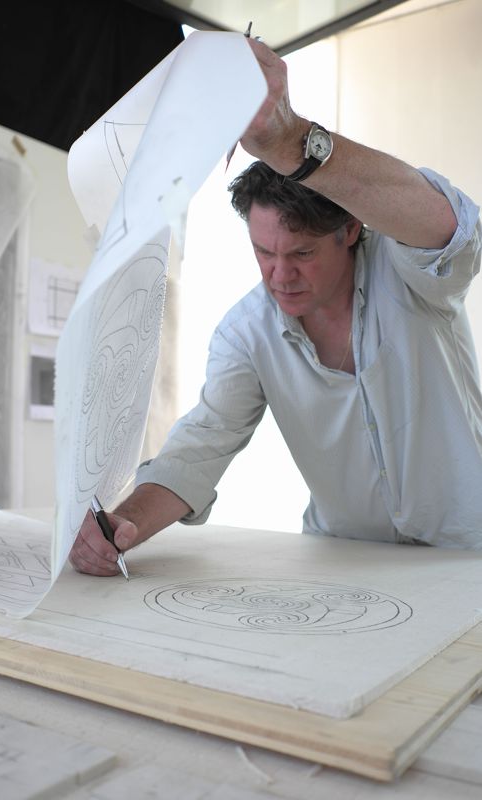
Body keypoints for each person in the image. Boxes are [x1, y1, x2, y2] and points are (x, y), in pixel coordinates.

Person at [70, 37, 482, 576]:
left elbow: (452, 227)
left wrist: (291, 141)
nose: (279, 276)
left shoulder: (407, 271)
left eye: (302, 254)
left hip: (467, 554)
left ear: (350, 230)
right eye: (264, 252)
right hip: (344, 562)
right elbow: (202, 444)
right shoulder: (247, 332)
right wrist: (123, 524)